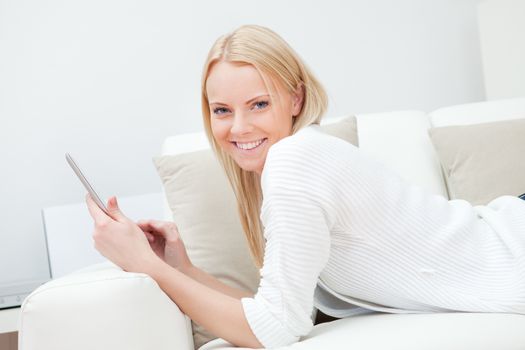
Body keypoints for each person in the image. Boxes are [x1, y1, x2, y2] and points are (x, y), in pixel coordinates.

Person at [85, 24, 525, 349]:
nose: (238, 127)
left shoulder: (296, 158)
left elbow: (273, 331)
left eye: (258, 104)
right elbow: (276, 314)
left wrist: (147, 265)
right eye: (222, 110)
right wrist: (183, 270)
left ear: (295, 100)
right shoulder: (291, 162)